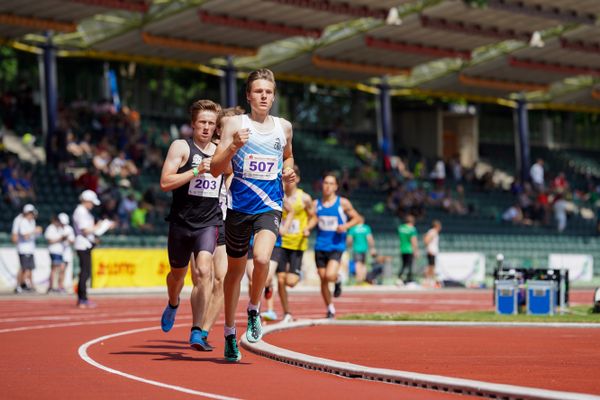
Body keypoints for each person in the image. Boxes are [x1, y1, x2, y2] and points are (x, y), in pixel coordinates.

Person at [211, 68, 295, 362]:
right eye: (258, 91)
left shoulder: (284, 127)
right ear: (248, 95)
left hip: (270, 205)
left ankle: (254, 309)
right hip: (237, 208)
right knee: (234, 275)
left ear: (273, 96)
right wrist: (234, 145)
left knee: (261, 259)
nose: (263, 96)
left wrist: (288, 169)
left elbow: (288, 156)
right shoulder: (234, 123)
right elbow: (215, 168)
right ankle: (230, 333)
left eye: (268, 92)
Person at [158, 99, 224, 352]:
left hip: (208, 223)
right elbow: (165, 182)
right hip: (180, 223)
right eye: (202, 123)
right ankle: (173, 302)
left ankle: (197, 331)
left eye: (211, 123)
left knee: (204, 271)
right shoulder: (181, 147)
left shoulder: (220, 151)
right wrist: (196, 171)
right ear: (193, 125)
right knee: (177, 276)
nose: (207, 128)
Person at [195, 106, 243, 347]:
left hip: (226, 220)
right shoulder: (207, 151)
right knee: (201, 276)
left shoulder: (243, 152)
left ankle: (202, 332)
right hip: (200, 220)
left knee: (221, 279)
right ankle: (180, 306)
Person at [310, 173, 361, 318]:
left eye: (331, 183)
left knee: (330, 275)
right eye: (326, 183)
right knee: (323, 278)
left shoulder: (342, 203)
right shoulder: (316, 204)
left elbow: (357, 218)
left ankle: (337, 279)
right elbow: (311, 219)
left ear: (336, 187)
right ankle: (330, 308)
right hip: (320, 246)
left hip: (336, 245)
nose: (328, 186)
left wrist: (345, 226)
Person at [276, 165, 314, 322]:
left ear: (297, 179)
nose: (289, 181)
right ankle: (287, 313)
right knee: (280, 279)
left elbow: (313, 217)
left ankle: (295, 274)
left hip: (297, 243)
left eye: (292, 177)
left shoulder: (304, 198)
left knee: (290, 282)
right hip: (281, 243)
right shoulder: (279, 195)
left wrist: (308, 228)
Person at [73, 190, 114, 308]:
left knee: (86, 272)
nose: (92, 205)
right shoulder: (80, 211)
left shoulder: (85, 212)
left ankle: (83, 298)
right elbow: (85, 230)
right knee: (84, 273)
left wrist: (95, 237)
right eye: (91, 202)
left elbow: (87, 231)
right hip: (82, 245)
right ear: (86, 200)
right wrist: (100, 226)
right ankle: (82, 299)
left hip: (86, 244)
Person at [12, 204, 42, 293]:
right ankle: (18, 285)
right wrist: (35, 231)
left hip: (30, 248)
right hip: (23, 248)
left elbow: (33, 235)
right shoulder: (21, 221)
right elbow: (24, 235)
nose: (32, 215)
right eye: (31, 213)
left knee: (29, 268)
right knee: (23, 268)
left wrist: (36, 232)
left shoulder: (31, 221)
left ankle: (25, 284)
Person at [346, 216, 377, 284]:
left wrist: (348, 245)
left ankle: (359, 279)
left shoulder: (353, 228)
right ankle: (363, 278)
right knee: (363, 264)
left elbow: (349, 239)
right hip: (364, 249)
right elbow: (370, 239)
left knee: (357, 264)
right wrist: (372, 248)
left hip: (356, 248)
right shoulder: (366, 228)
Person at [44, 215, 67, 293]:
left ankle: (57, 286)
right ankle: (51, 287)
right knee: (54, 269)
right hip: (54, 251)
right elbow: (50, 240)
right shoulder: (50, 228)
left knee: (60, 269)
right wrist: (60, 239)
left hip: (60, 252)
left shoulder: (60, 229)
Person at [397, 214, 419, 285]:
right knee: (410, 265)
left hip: (402, 248)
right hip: (409, 249)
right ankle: (409, 279)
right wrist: (416, 250)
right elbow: (413, 240)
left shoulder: (401, 228)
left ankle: (399, 278)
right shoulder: (412, 229)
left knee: (403, 265)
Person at [423, 220, 442, 288]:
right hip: (431, 251)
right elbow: (426, 240)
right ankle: (427, 281)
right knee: (431, 267)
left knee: (432, 266)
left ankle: (430, 281)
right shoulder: (433, 232)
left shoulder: (433, 232)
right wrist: (429, 249)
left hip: (433, 251)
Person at [59, 212, 75, 294]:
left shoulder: (69, 229)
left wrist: (67, 239)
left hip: (67, 251)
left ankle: (62, 286)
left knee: (64, 270)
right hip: (58, 251)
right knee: (60, 269)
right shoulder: (56, 228)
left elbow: (72, 240)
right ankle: (59, 286)